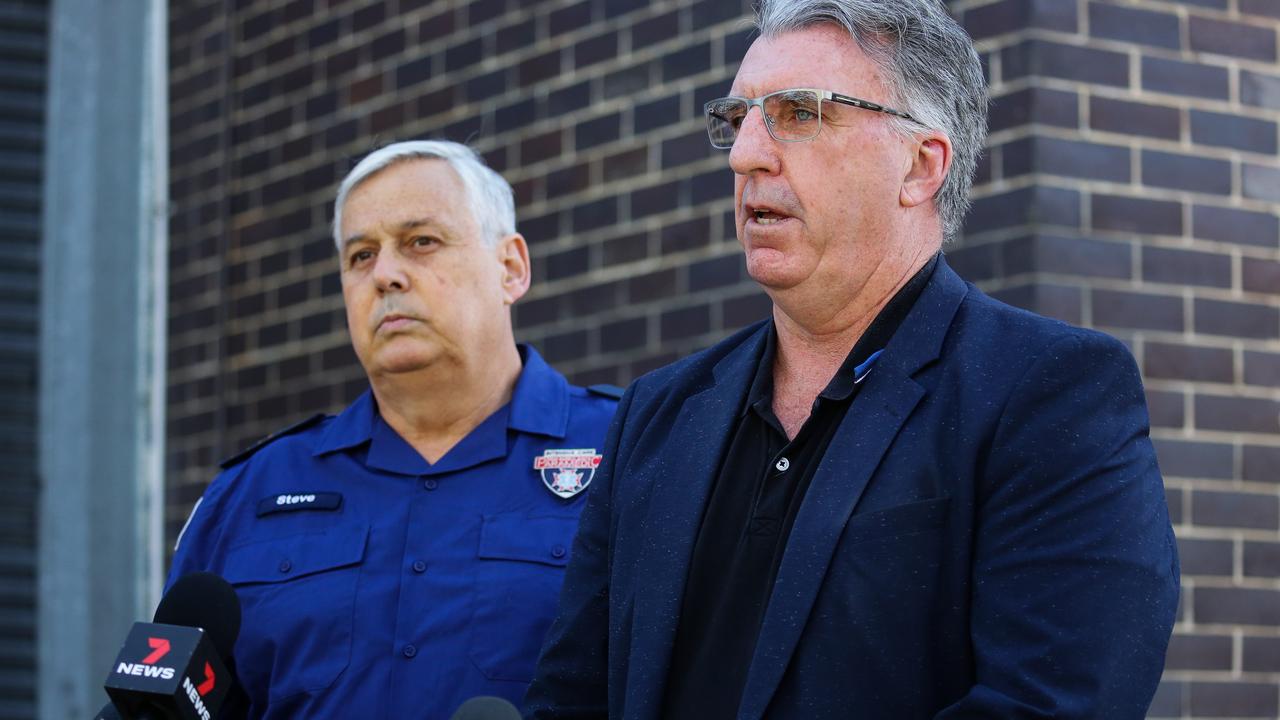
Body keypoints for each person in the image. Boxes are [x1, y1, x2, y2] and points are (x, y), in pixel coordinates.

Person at [526, 1, 1179, 718]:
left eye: (799, 112)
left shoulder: (1049, 392)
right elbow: (574, 696)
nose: (746, 152)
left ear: (920, 165)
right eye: (738, 117)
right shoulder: (657, 413)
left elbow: (1053, 703)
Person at [167, 140, 620, 719]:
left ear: (510, 268)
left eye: (420, 242)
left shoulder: (634, 455)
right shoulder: (249, 492)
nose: (384, 275)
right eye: (360, 256)